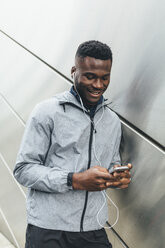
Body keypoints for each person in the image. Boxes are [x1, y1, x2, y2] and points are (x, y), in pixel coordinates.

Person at [13, 40, 132, 248]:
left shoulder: (112, 121)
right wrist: (74, 180)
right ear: (73, 71)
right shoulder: (47, 112)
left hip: (93, 229)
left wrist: (116, 175)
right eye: (90, 76)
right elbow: (23, 170)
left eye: (105, 78)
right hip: (48, 230)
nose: (98, 85)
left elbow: (112, 161)